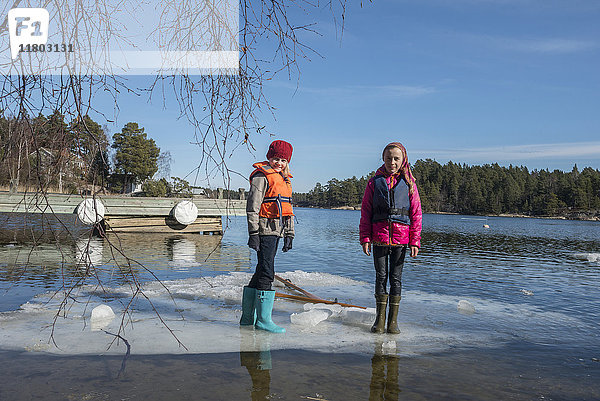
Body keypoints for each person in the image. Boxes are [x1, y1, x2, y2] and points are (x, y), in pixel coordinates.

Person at [359, 142, 422, 334]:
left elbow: (416, 213)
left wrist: (414, 240)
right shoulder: (374, 182)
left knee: (395, 278)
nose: (392, 162)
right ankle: (379, 321)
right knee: (380, 277)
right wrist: (365, 238)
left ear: (403, 160)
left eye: (396, 159)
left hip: (401, 240)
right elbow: (366, 212)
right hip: (378, 238)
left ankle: (392, 323)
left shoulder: (409, 183)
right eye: (388, 158)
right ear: (383, 159)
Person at [239, 140, 294, 333]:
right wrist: (253, 233)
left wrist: (290, 233)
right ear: (269, 158)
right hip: (264, 230)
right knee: (267, 272)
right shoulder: (262, 177)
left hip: (277, 232)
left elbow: (288, 209)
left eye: (283, 160)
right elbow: (253, 207)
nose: (279, 163)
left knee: (261, 269)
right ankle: (263, 320)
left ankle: (247, 318)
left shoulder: (285, 180)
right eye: (276, 158)